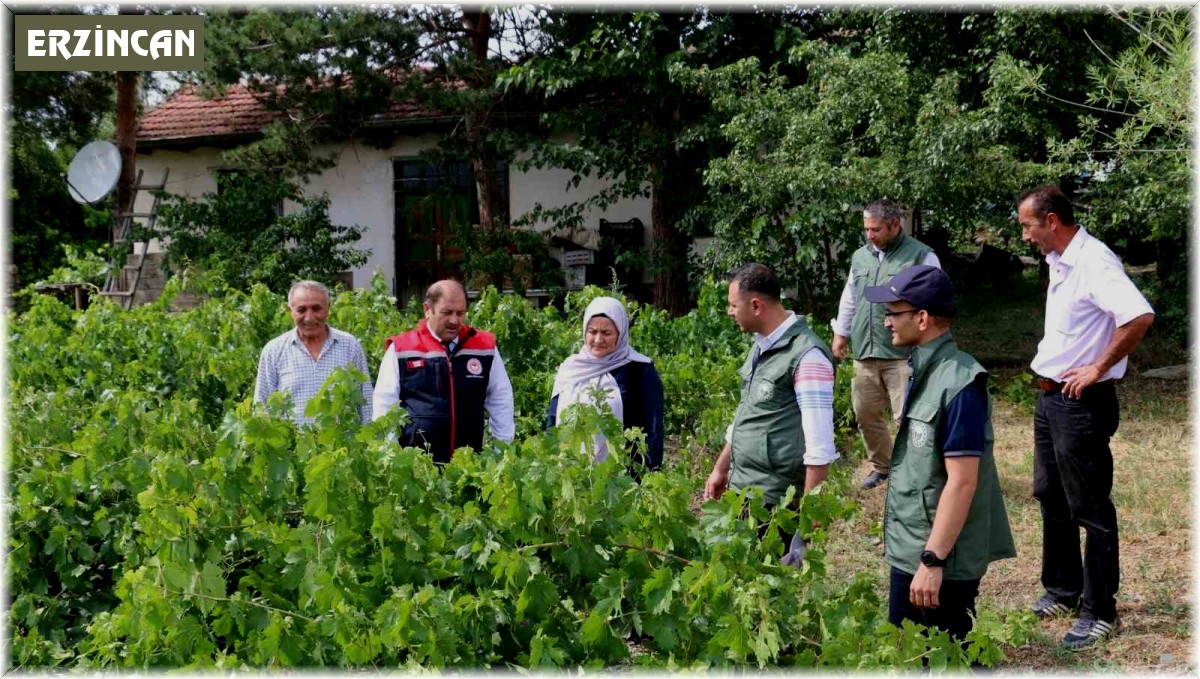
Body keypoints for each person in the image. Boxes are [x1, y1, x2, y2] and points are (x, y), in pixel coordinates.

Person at [1017, 185, 1154, 650]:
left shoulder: (1094, 261)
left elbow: (1138, 316)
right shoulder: (1061, 261)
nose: (1025, 235)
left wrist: (1098, 367)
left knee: (1090, 506)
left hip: (1081, 403)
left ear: (1052, 220)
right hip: (1050, 397)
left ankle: (1100, 611)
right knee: (1050, 494)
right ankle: (1063, 590)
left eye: (1028, 226)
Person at [863, 264, 1016, 643]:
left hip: (939, 558)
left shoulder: (960, 382)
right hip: (915, 547)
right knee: (912, 651)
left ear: (922, 318)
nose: (886, 322)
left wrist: (933, 561)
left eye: (893, 313)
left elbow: (963, 482)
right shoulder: (925, 369)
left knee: (945, 655)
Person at [704, 264, 838, 561]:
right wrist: (721, 468)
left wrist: (810, 513)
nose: (729, 312)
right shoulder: (762, 347)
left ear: (756, 306)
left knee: (771, 582)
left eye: (733, 305)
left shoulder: (807, 356)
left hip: (776, 503)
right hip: (743, 491)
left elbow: (820, 446)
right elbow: (747, 415)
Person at [830, 199, 942, 490]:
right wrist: (841, 333)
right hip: (864, 352)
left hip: (903, 354)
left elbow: (936, 301)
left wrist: (928, 344)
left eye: (876, 229)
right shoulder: (860, 257)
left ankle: (918, 473)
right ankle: (883, 467)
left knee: (909, 418)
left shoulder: (921, 256)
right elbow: (850, 296)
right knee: (864, 413)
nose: (870, 235)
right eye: (866, 229)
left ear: (895, 225)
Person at [372, 279, 515, 462]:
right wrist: (391, 460)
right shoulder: (401, 349)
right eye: (447, 313)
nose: (454, 321)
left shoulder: (484, 348)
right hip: (417, 467)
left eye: (460, 313)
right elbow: (385, 406)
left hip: (469, 465)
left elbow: (501, 399)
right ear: (427, 309)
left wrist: (501, 453)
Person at [547, 296, 665, 472]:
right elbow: (553, 422)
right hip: (572, 474)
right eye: (592, 331)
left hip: (624, 477)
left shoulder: (640, 370)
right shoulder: (570, 369)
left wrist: (650, 474)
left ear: (620, 333)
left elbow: (654, 429)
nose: (598, 339)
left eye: (606, 333)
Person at [253, 280, 373, 425]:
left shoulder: (349, 345)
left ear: (328, 308)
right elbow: (261, 407)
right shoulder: (274, 350)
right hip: (293, 440)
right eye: (301, 310)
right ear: (291, 312)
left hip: (342, 439)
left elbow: (366, 404)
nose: (309, 318)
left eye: (316, 309)